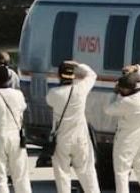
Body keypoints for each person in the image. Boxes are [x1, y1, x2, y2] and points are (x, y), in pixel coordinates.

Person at [45, 61, 100, 193]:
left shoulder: (53, 93)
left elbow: (49, 102)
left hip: (62, 139)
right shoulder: (81, 89)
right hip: (81, 138)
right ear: (73, 75)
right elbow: (92, 75)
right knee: (88, 174)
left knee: (62, 175)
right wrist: (78, 64)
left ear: (59, 76)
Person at [104, 65, 140, 193]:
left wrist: (114, 93)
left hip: (126, 142)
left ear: (125, 89)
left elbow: (107, 109)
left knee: (122, 173)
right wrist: (136, 68)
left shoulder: (127, 102)